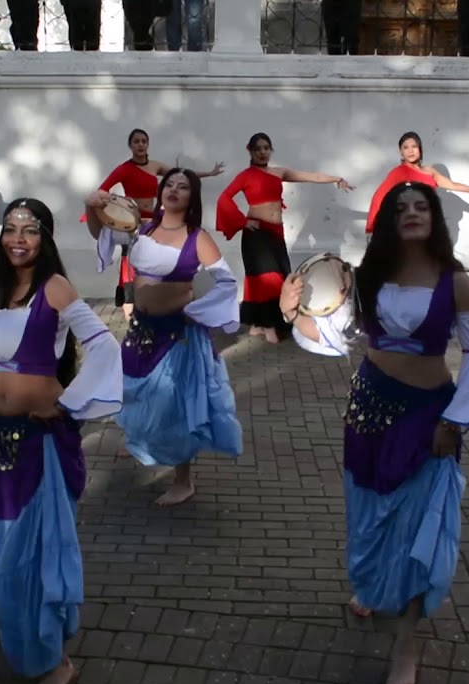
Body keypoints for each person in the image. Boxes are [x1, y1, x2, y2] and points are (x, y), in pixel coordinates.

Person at [290, 181, 469, 684]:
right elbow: (338, 337)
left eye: (422, 206)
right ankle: (369, 583)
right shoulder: (368, 277)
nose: (412, 213)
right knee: (367, 511)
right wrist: (293, 309)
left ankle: (406, 645)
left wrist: (453, 422)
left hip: (430, 417)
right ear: (388, 219)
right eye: (401, 207)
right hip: (368, 407)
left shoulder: (455, 282)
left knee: (417, 532)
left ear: (435, 218)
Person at [0, 198, 122, 684]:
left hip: (38, 442)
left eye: (30, 230)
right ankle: (5, 599)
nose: (18, 238)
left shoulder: (54, 288)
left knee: (34, 549)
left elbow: (103, 345)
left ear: (45, 238)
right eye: (10, 229)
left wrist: (71, 404)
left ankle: (59, 661)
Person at [86, 169, 242, 506]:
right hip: (142, 330)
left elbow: (226, 283)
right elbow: (102, 235)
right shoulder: (142, 229)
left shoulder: (197, 237)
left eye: (183, 187)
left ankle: (183, 480)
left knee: (176, 407)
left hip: (177, 335)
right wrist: (93, 205)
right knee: (132, 390)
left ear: (192, 197)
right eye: (169, 184)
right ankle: (140, 442)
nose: (174, 190)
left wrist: (196, 306)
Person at [216, 132, 353, 343]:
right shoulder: (245, 176)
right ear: (250, 151)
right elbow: (224, 197)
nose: (263, 152)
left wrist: (336, 178)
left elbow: (310, 176)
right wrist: (243, 221)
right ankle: (269, 325)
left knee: (276, 275)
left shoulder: (279, 173)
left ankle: (257, 324)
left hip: (276, 232)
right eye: (258, 149)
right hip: (257, 234)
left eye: (266, 148)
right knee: (267, 279)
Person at [85, 128, 225, 320]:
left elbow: (182, 175)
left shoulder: (155, 166)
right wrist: (110, 206)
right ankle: (131, 306)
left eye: (144, 141)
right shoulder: (124, 169)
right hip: (131, 223)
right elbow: (103, 191)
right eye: (136, 141)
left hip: (153, 219)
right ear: (130, 145)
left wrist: (209, 173)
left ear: (148, 144)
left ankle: (166, 302)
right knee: (131, 264)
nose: (140, 144)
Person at [364, 131, 469, 235]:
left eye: (414, 146)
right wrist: (371, 226)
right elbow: (379, 196)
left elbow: (453, 185)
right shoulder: (398, 172)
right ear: (401, 152)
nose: (410, 150)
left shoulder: (430, 171)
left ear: (420, 149)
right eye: (406, 147)